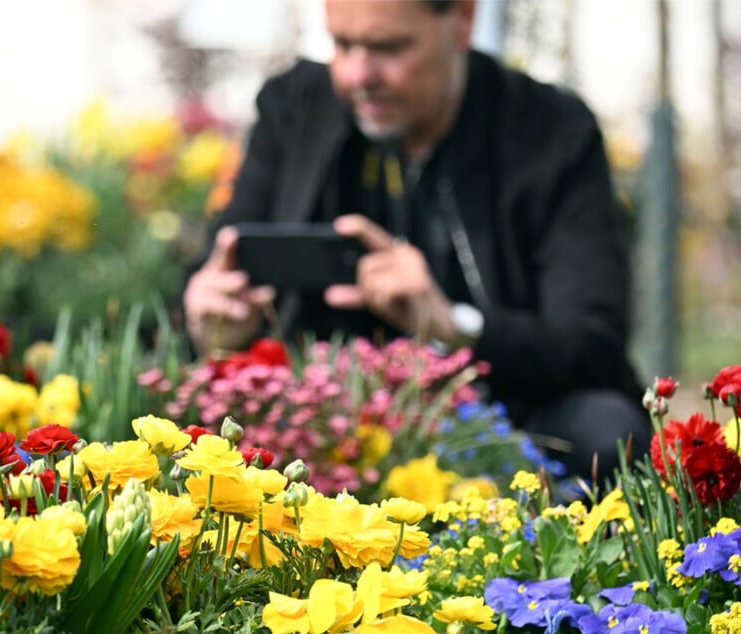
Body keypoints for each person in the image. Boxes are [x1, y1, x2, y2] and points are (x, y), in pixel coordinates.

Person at [182, 0, 652, 483]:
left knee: (607, 432)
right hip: (324, 421)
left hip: (510, 415)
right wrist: (212, 317)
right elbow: (215, 267)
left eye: (389, 47)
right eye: (342, 44)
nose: (357, 74)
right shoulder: (295, 108)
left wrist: (454, 325)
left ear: (463, 21)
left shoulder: (550, 130)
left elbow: (592, 342)